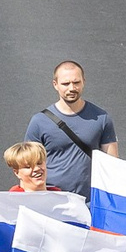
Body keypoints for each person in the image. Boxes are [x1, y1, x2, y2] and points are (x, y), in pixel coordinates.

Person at [22, 61, 116, 197]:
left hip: (89, 202)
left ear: (83, 82)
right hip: (51, 200)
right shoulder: (39, 121)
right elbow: (26, 165)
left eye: (76, 82)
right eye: (65, 84)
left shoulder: (101, 118)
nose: (72, 88)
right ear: (55, 84)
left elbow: (112, 164)